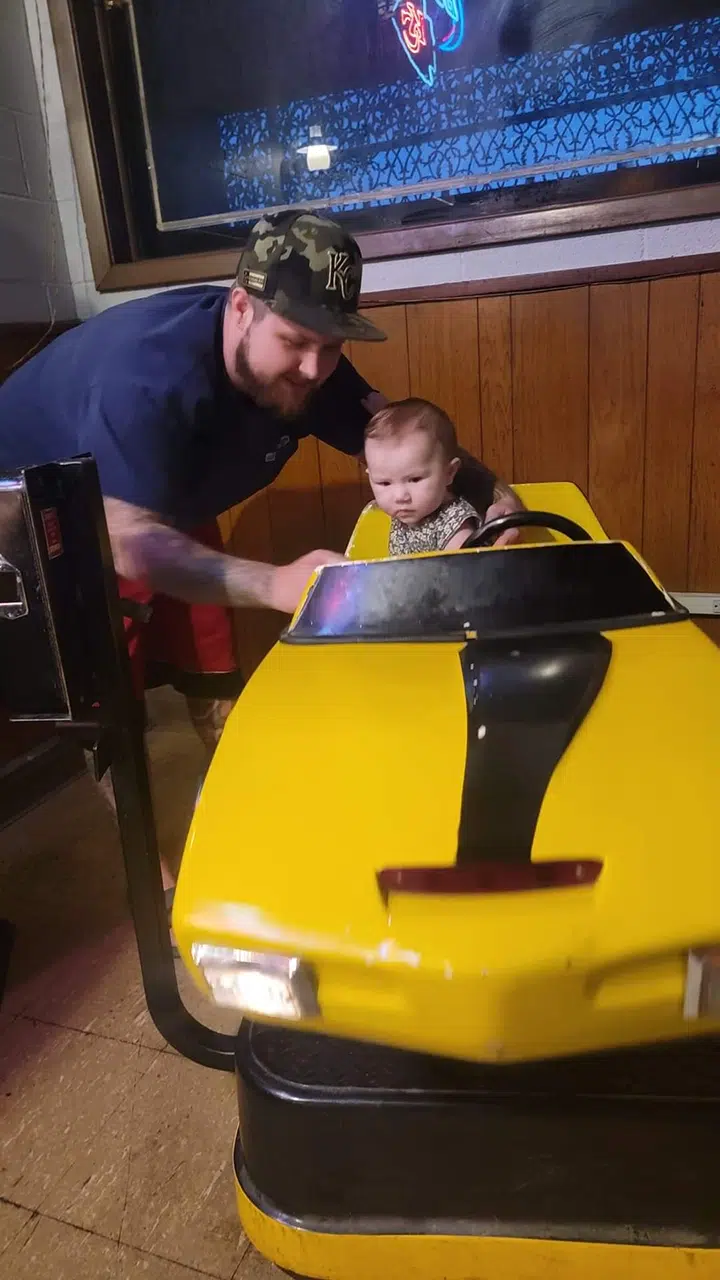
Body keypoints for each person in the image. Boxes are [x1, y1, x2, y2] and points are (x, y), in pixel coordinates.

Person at [0, 209, 522, 897]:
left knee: (211, 667)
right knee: (107, 700)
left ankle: (252, 817)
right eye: (297, 342)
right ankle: (162, 886)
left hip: (165, 495)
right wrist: (275, 582)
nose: (314, 368)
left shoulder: (312, 363)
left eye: (331, 346)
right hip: (32, 517)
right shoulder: (147, 379)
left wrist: (496, 499)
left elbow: (402, 435)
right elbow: (127, 542)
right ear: (240, 307)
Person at [364, 397, 485, 553]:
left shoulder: (455, 523)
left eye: (415, 479)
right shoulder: (407, 514)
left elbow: (459, 572)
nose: (400, 496)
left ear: (449, 473)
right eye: (384, 483)